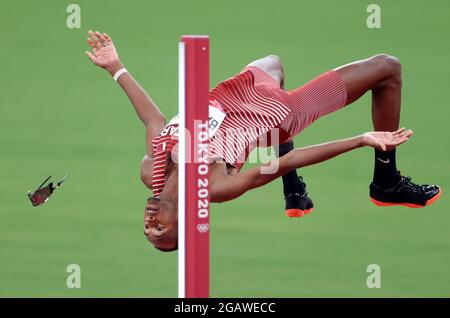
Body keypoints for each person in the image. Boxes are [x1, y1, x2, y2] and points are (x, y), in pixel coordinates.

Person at [85, 31, 441, 252]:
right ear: (183, 221)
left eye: (146, 229)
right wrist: (361, 139)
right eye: (159, 229)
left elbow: (154, 119)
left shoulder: (152, 169)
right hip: (281, 111)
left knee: (274, 63)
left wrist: (115, 67)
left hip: (238, 89)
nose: (149, 224)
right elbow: (284, 161)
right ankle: (386, 181)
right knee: (387, 67)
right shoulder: (217, 187)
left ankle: (294, 192)